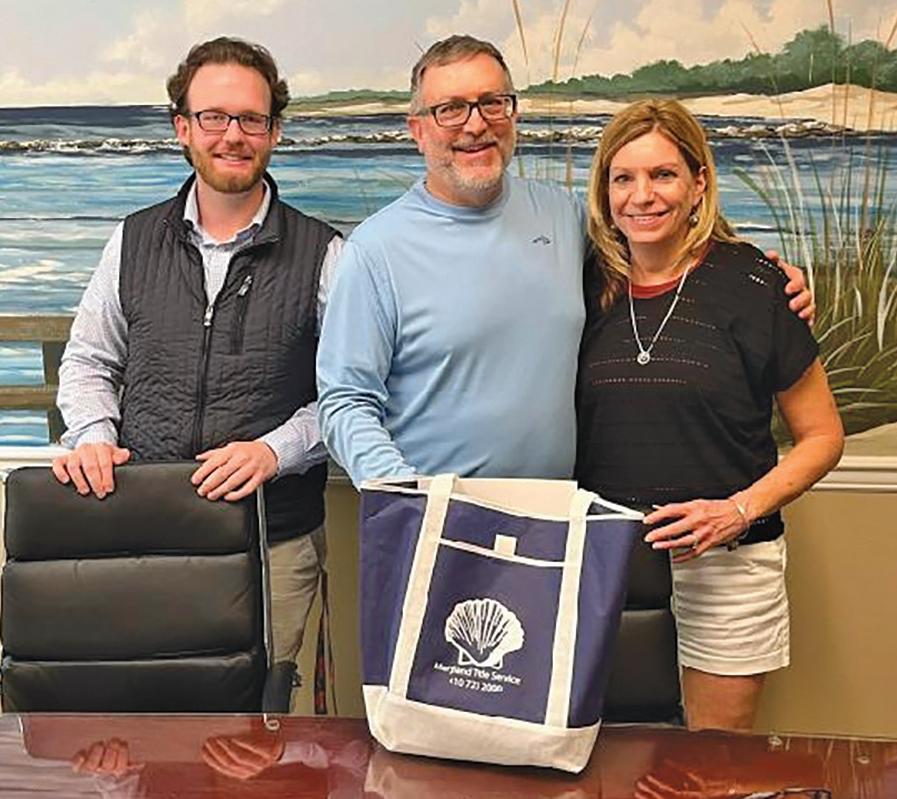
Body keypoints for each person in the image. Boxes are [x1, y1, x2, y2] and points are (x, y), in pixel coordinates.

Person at [317, 34, 811, 488]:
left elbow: (660, 246)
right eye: (450, 109)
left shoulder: (565, 216)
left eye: (492, 103)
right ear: (418, 131)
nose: (476, 124)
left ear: (512, 114)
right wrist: (406, 495)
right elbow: (345, 402)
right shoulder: (376, 251)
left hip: (559, 523)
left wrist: (764, 281)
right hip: (434, 522)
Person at [52, 37, 342, 670]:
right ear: (182, 127)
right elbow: (89, 360)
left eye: (251, 119)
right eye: (213, 117)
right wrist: (93, 434)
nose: (232, 135)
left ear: (274, 132)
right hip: (141, 532)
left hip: (273, 544)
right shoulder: (132, 240)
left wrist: (275, 451)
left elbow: (352, 397)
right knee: (145, 708)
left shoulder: (326, 254)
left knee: (260, 717)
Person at [575, 98, 844, 732]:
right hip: (605, 562)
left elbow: (822, 436)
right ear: (605, 192)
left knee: (712, 766)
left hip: (728, 564)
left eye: (663, 175)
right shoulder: (582, 286)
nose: (642, 196)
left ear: (699, 184)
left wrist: (737, 511)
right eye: (623, 178)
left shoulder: (754, 284)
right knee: (603, 760)